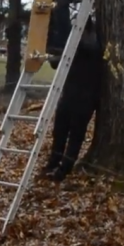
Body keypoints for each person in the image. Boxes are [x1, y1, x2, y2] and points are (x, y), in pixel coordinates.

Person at [42, 16, 102, 182]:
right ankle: (53, 163)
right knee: (59, 132)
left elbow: (87, 49)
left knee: (75, 135)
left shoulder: (93, 41)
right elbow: (57, 62)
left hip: (85, 98)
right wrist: (50, 53)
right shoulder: (75, 44)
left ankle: (65, 169)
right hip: (69, 95)